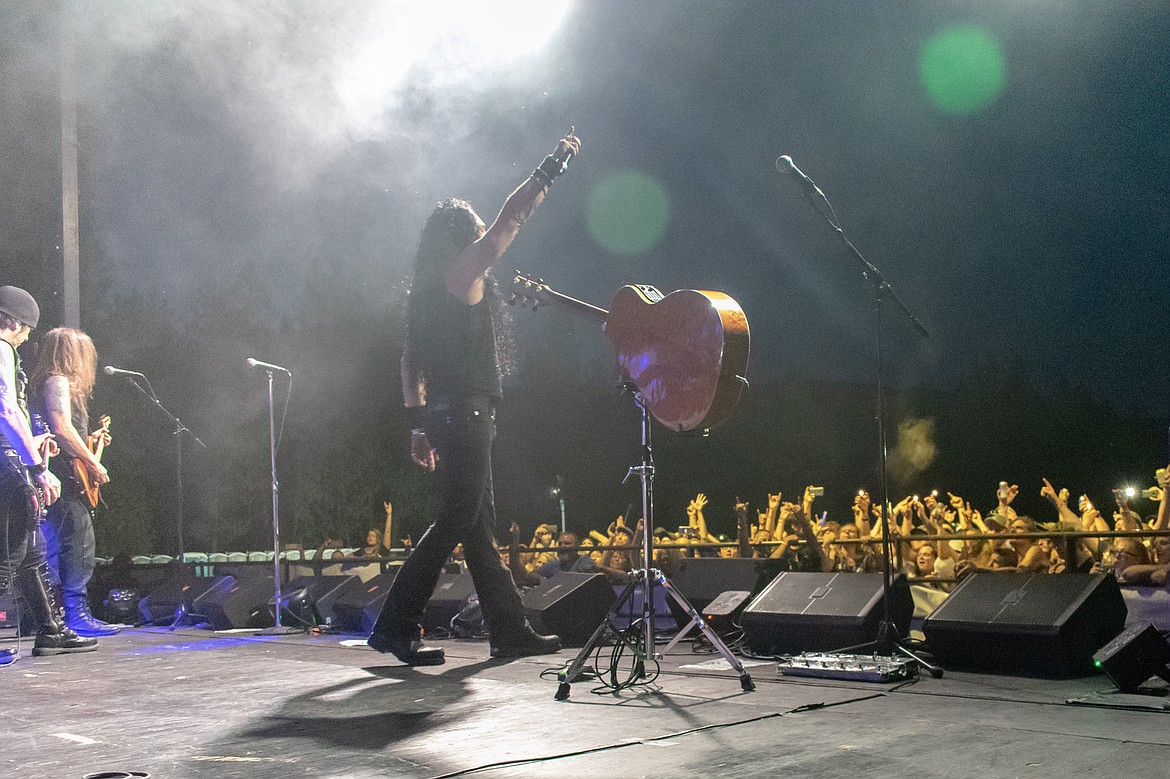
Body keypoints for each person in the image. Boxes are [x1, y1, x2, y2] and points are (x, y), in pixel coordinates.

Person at [367, 130, 582, 666]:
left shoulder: (427, 291)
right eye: (477, 232)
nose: (486, 237)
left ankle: (509, 629)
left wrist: (417, 424)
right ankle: (394, 625)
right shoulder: (461, 270)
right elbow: (511, 219)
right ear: (463, 238)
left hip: (445, 413)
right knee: (459, 519)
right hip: (468, 413)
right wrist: (550, 168)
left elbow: (408, 362)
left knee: (480, 527)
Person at [0, 286, 96, 660]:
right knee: (10, 552)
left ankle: (51, 630)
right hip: (6, 463)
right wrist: (38, 467)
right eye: (26, 331)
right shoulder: (3, 349)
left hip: (10, 455)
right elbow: (6, 410)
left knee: (32, 551)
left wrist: (34, 440)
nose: (27, 340)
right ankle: (51, 629)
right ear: (15, 323)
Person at [29, 327, 118, 637]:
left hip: (58, 476)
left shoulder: (45, 383)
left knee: (57, 546)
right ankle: (76, 615)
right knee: (78, 544)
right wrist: (93, 463)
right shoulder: (58, 382)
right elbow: (62, 428)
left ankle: (56, 616)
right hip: (65, 481)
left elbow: (66, 433)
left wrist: (91, 443)